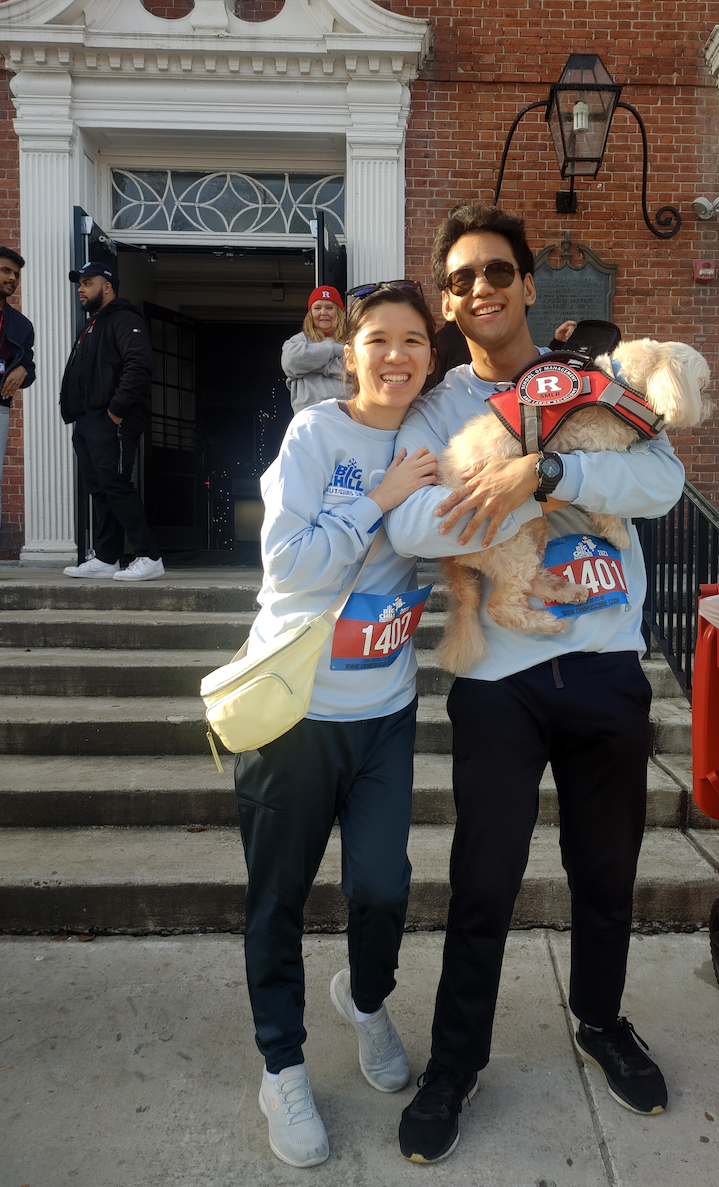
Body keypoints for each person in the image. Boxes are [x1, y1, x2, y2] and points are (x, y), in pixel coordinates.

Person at [385, 204, 686, 1163]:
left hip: (602, 665)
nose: (483, 289)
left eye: (498, 272)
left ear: (525, 283)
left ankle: (599, 1020)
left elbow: (664, 483)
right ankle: (454, 1063)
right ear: (448, 296)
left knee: (607, 875)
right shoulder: (435, 410)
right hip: (499, 678)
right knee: (482, 880)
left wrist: (547, 472)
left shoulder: (592, 381)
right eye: (464, 277)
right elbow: (409, 528)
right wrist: (497, 494)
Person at [236, 280, 439, 1169]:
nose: (396, 355)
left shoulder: (436, 435)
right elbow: (289, 569)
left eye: (413, 340)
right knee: (277, 898)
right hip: (298, 714)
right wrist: (381, 496)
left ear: (432, 355)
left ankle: (363, 997)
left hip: (387, 708)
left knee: (383, 889)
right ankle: (280, 1063)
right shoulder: (316, 435)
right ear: (347, 349)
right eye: (377, 339)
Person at [60, 263, 164, 581]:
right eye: (79, 283)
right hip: (88, 420)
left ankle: (149, 556)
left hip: (112, 419)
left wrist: (115, 410)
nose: (80, 288)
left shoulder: (124, 319)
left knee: (116, 486)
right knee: (100, 489)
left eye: (87, 283)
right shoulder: (92, 325)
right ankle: (107, 557)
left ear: (106, 287)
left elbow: (138, 364)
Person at [0, 247, 35, 531]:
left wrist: (23, 369)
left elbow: (28, 363)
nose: (12, 278)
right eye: (5, 271)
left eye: (16, 274)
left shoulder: (21, 325)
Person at [282, 285, 347, 414]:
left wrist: (311, 363)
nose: (323, 312)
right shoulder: (298, 340)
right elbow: (291, 362)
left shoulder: (353, 341)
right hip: (310, 415)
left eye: (329, 308)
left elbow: (358, 370)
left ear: (339, 312)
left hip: (347, 413)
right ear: (310, 314)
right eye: (317, 308)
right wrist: (333, 349)